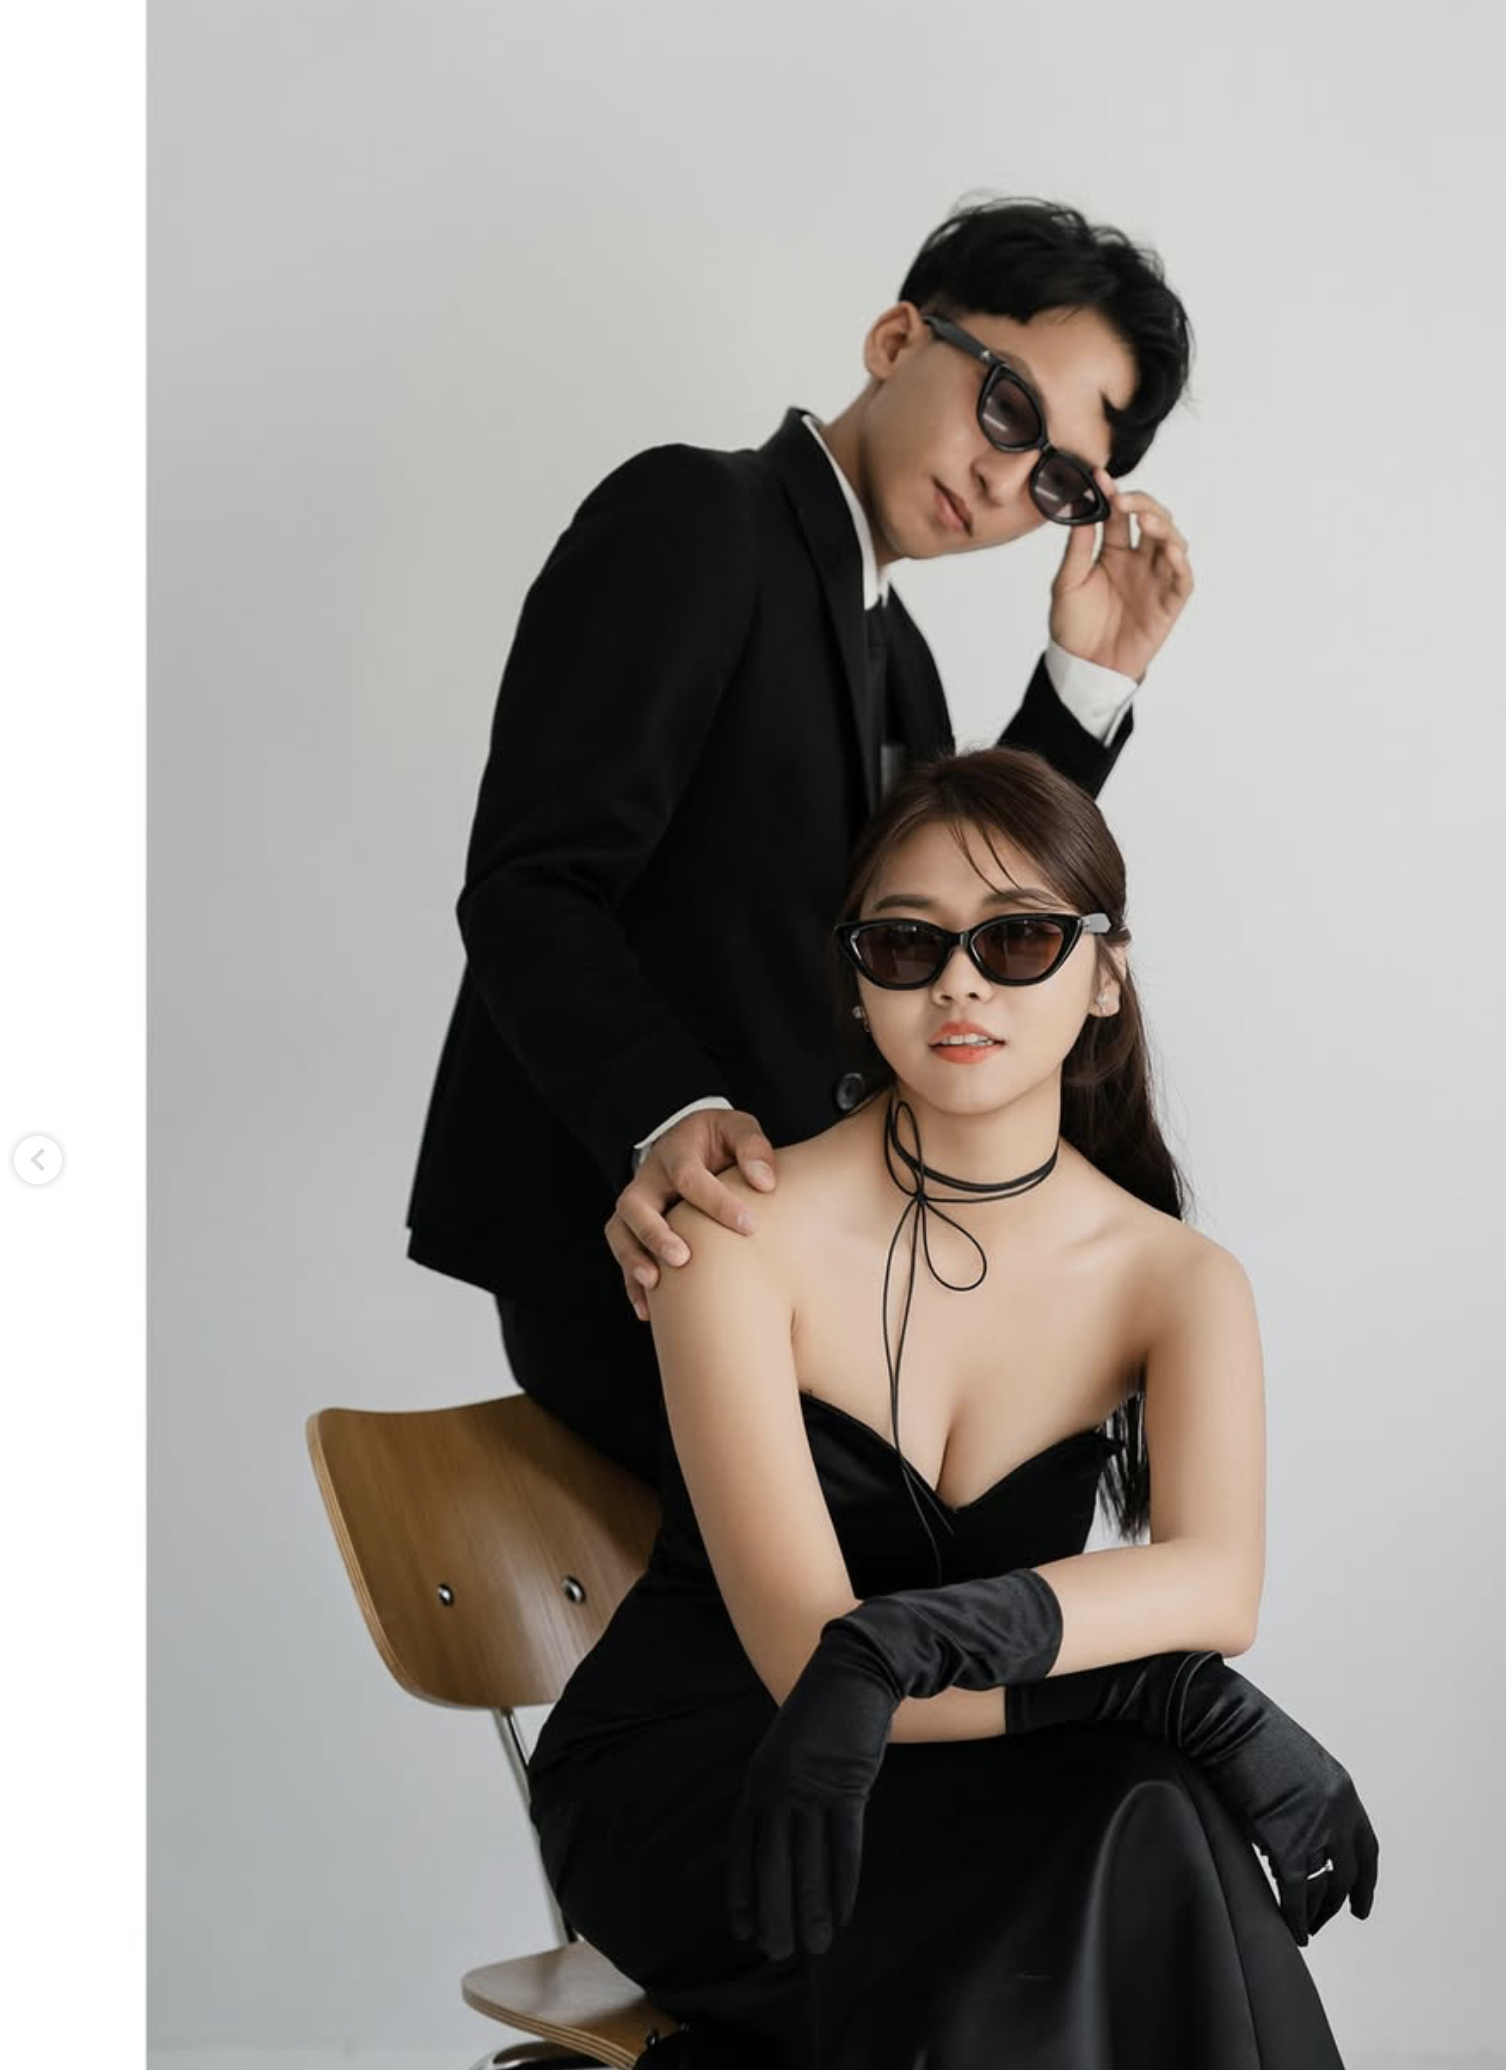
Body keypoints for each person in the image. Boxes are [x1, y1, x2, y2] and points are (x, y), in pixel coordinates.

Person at [528, 748, 1379, 2070]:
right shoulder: (732, 1234)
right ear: (856, 982)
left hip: (953, 1768)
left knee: (1145, 1812)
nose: (960, 982)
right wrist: (1152, 1689)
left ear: (1105, 973)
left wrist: (922, 1651)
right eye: (906, 943)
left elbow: (1215, 1586)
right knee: (1124, 1829)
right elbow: (806, 1671)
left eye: (1019, 938)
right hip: (711, 1776)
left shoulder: (1176, 1280)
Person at [404, 196, 1197, 1484]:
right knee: (941, 1527)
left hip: (804, 1269)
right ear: (896, 339)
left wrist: (1085, 683)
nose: (1004, 481)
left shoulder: (902, 658)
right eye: (1006, 408)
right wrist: (668, 1113)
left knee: (1038, 1462)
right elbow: (533, 885)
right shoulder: (695, 517)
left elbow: (940, 928)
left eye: (1055, 479)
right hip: (641, 1249)